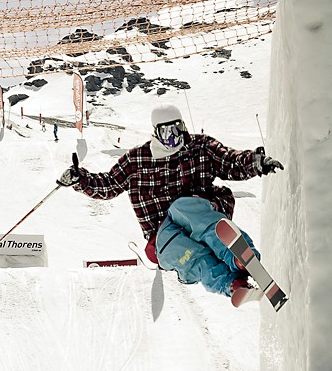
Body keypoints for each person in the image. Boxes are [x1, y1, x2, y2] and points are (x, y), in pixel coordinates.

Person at [57, 103, 283, 306]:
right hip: (163, 234)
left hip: (200, 212)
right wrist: (81, 179)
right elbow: (109, 185)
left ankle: (238, 257)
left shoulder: (199, 147)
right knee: (187, 256)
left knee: (179, 207)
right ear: (156, 133)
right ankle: (231, 284)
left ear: (183, 127)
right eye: (166, 132)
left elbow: (230, 160)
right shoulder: (136, 160)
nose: (173, 138)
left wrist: (255, 162)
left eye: (177, 130)